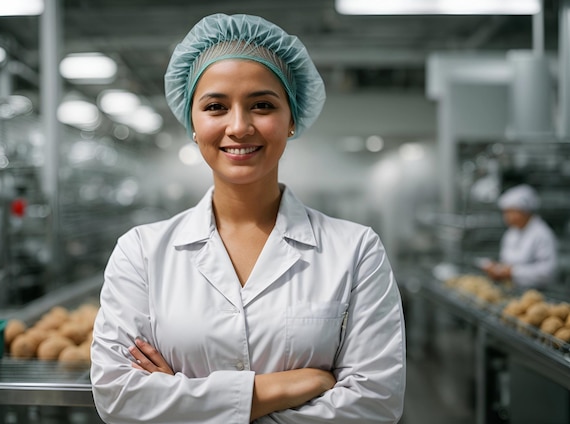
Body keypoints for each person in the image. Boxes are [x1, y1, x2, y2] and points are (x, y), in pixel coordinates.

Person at [91, 13, 406, 424]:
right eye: (216, 106)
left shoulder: (356, 250)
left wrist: (183, 402)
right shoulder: (142, 252)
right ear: (192, 122)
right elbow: (118, 397)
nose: (239, 127)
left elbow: (375, 404)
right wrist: (286, 387)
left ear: (291, 120)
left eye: (262, 105)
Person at [483, 184, 558, 288]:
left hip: (537, 292)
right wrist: (497, 268)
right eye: (505, 212)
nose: (507, 217)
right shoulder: (511, 233)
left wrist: (513, 272)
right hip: (512, 289)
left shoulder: (542, 234)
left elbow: (547, 272)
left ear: (525, 211)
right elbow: (506, 262)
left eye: (512, 212)